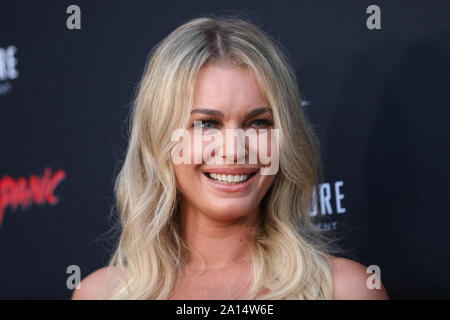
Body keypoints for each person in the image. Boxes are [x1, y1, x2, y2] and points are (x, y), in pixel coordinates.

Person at [72, 15, 388, 300]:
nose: (234, 150)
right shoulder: (101, 294)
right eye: (206, 124)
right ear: (161, 139)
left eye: (258, 123)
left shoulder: (345, 290)